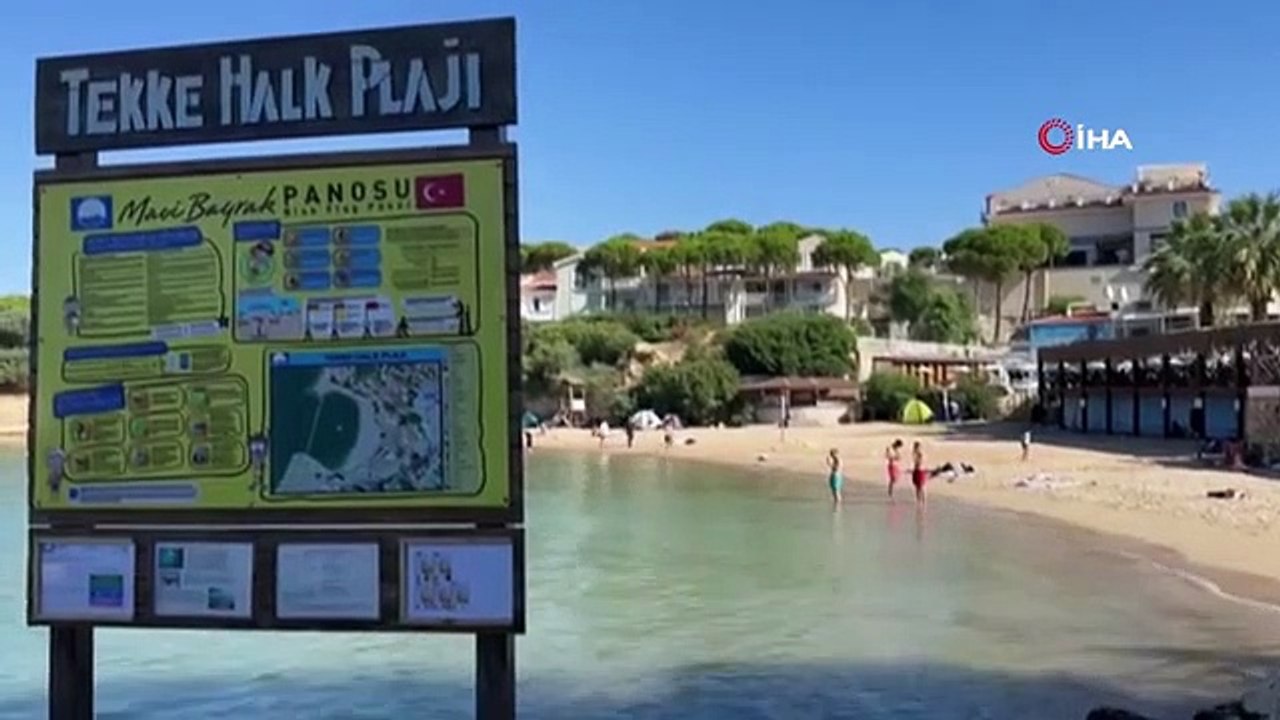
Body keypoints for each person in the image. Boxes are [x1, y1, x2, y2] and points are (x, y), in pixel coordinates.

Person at [911, 441, 928, 505]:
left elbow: (921, 461)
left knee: (922, 487)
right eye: (915, 447)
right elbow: (915, 462)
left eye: (917, 447)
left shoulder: (921, 454)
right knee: (917, 487)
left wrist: (917, 459)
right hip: (916, 470)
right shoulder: (915, 454)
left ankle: (924, 501)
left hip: (920, 470)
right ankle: (918, 501)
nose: (915, 448)